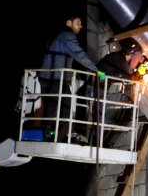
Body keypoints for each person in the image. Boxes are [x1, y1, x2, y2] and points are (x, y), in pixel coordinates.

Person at [38, 13, 103, 141]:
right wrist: (97, 71)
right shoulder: (67, 35)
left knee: (52, 108)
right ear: (69, 23)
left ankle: (50, 133)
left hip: (46, 78)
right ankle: (58, 134)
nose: (81, 26)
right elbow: (79, 54)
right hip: (56, 79)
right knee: (65, 108)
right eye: (78, 22)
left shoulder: (55, 36)